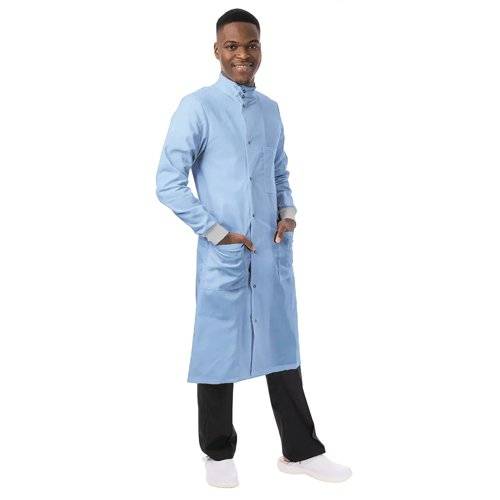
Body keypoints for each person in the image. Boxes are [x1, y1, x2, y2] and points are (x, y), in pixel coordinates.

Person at [155, 8, 352, 488]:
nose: (242, 54)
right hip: (225, 254)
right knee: (217, 350)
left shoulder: (270, 110)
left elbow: (279, 171)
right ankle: (218, 452)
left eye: (251, 45)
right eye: (232, 46)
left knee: (282, 348)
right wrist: (215, 231)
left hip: (269, 249)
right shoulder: (198, 107)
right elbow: (168, 182)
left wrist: (288, 213)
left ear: (261, 48)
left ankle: (301, 451)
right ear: (216, 50)